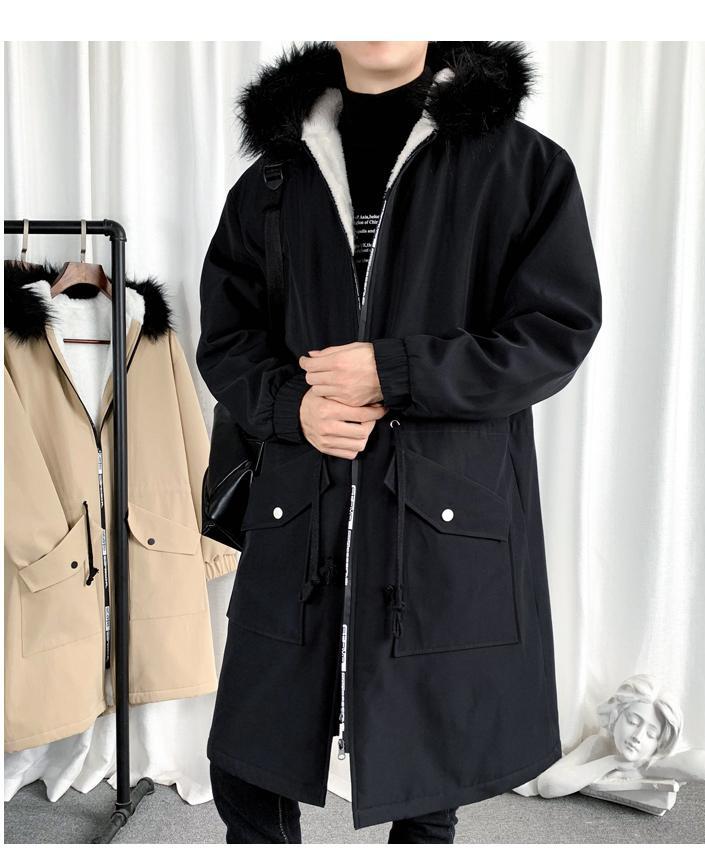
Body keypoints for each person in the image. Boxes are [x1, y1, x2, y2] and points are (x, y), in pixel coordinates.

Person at [197, 40, 602, 843]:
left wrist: (399, 370)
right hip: (300, 504)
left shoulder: (524, 167)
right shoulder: (274, 178)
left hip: (440, 513)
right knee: (249, 764)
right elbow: (228, 337)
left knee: (426, 771)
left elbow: (554, 333)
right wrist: (293, 408)